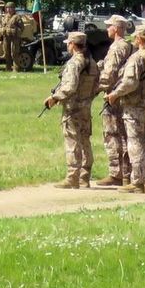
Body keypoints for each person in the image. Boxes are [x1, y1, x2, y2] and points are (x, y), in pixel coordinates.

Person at [107, 22, 145, 194]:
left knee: (136, 142)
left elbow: (130, 82)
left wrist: (115, 94)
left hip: (135, 106)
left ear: (138, 38)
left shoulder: (137, 58)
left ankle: (137, 182)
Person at [44, 30, 97, 188]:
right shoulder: (91, 62)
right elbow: (96, 85)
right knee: (85, 140)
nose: (67, 46)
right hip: (86, 107)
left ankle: (72, 177)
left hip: (73, 108)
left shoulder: (75, 63)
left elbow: (70, 86)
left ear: (73, 45)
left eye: (69, 43)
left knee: (73, 140)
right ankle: (84, 176)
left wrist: (55, 97)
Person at [93, 15, 133, 187]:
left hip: (113, 96)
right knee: (124, 134)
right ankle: (127, 172)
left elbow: (110, 75)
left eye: (109, 26)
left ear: (116, 28)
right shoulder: (129, 46)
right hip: (124, 95)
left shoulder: (117, 48)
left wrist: (95, 89)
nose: (107, 29)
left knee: (113, 134)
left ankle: (117, 173)